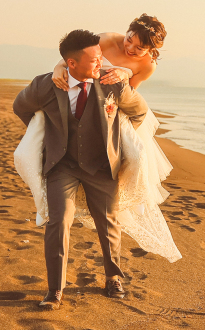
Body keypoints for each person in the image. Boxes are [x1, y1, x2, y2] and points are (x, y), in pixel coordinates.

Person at [13, 30, 149, 309]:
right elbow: (21, 107)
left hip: (101, 165)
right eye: (95, 60)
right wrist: (44, 132)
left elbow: (139, 112)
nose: (102, 64)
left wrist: (117, 139)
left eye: (101, 57)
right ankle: (55, 290)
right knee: (58, 222)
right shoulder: (45, 85)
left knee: (109, 222)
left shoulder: (114, 84)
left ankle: (113, 278)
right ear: (70, 64)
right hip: (62, 165)